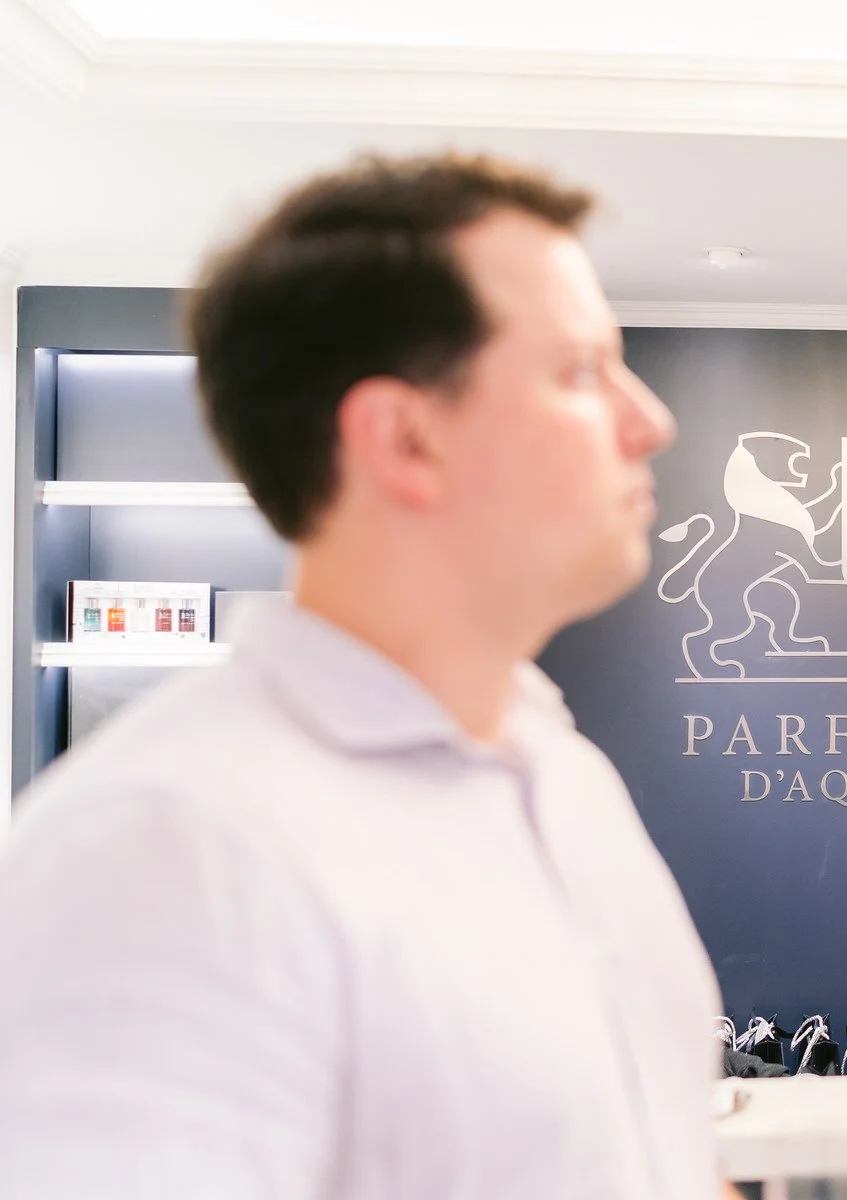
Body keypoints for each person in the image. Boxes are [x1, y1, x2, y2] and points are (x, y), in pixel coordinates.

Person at [0, 153, 727, 1198]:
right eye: (579, 372)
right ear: (404, 438)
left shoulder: (570, 782)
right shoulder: (160, 850)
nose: (649, 421)